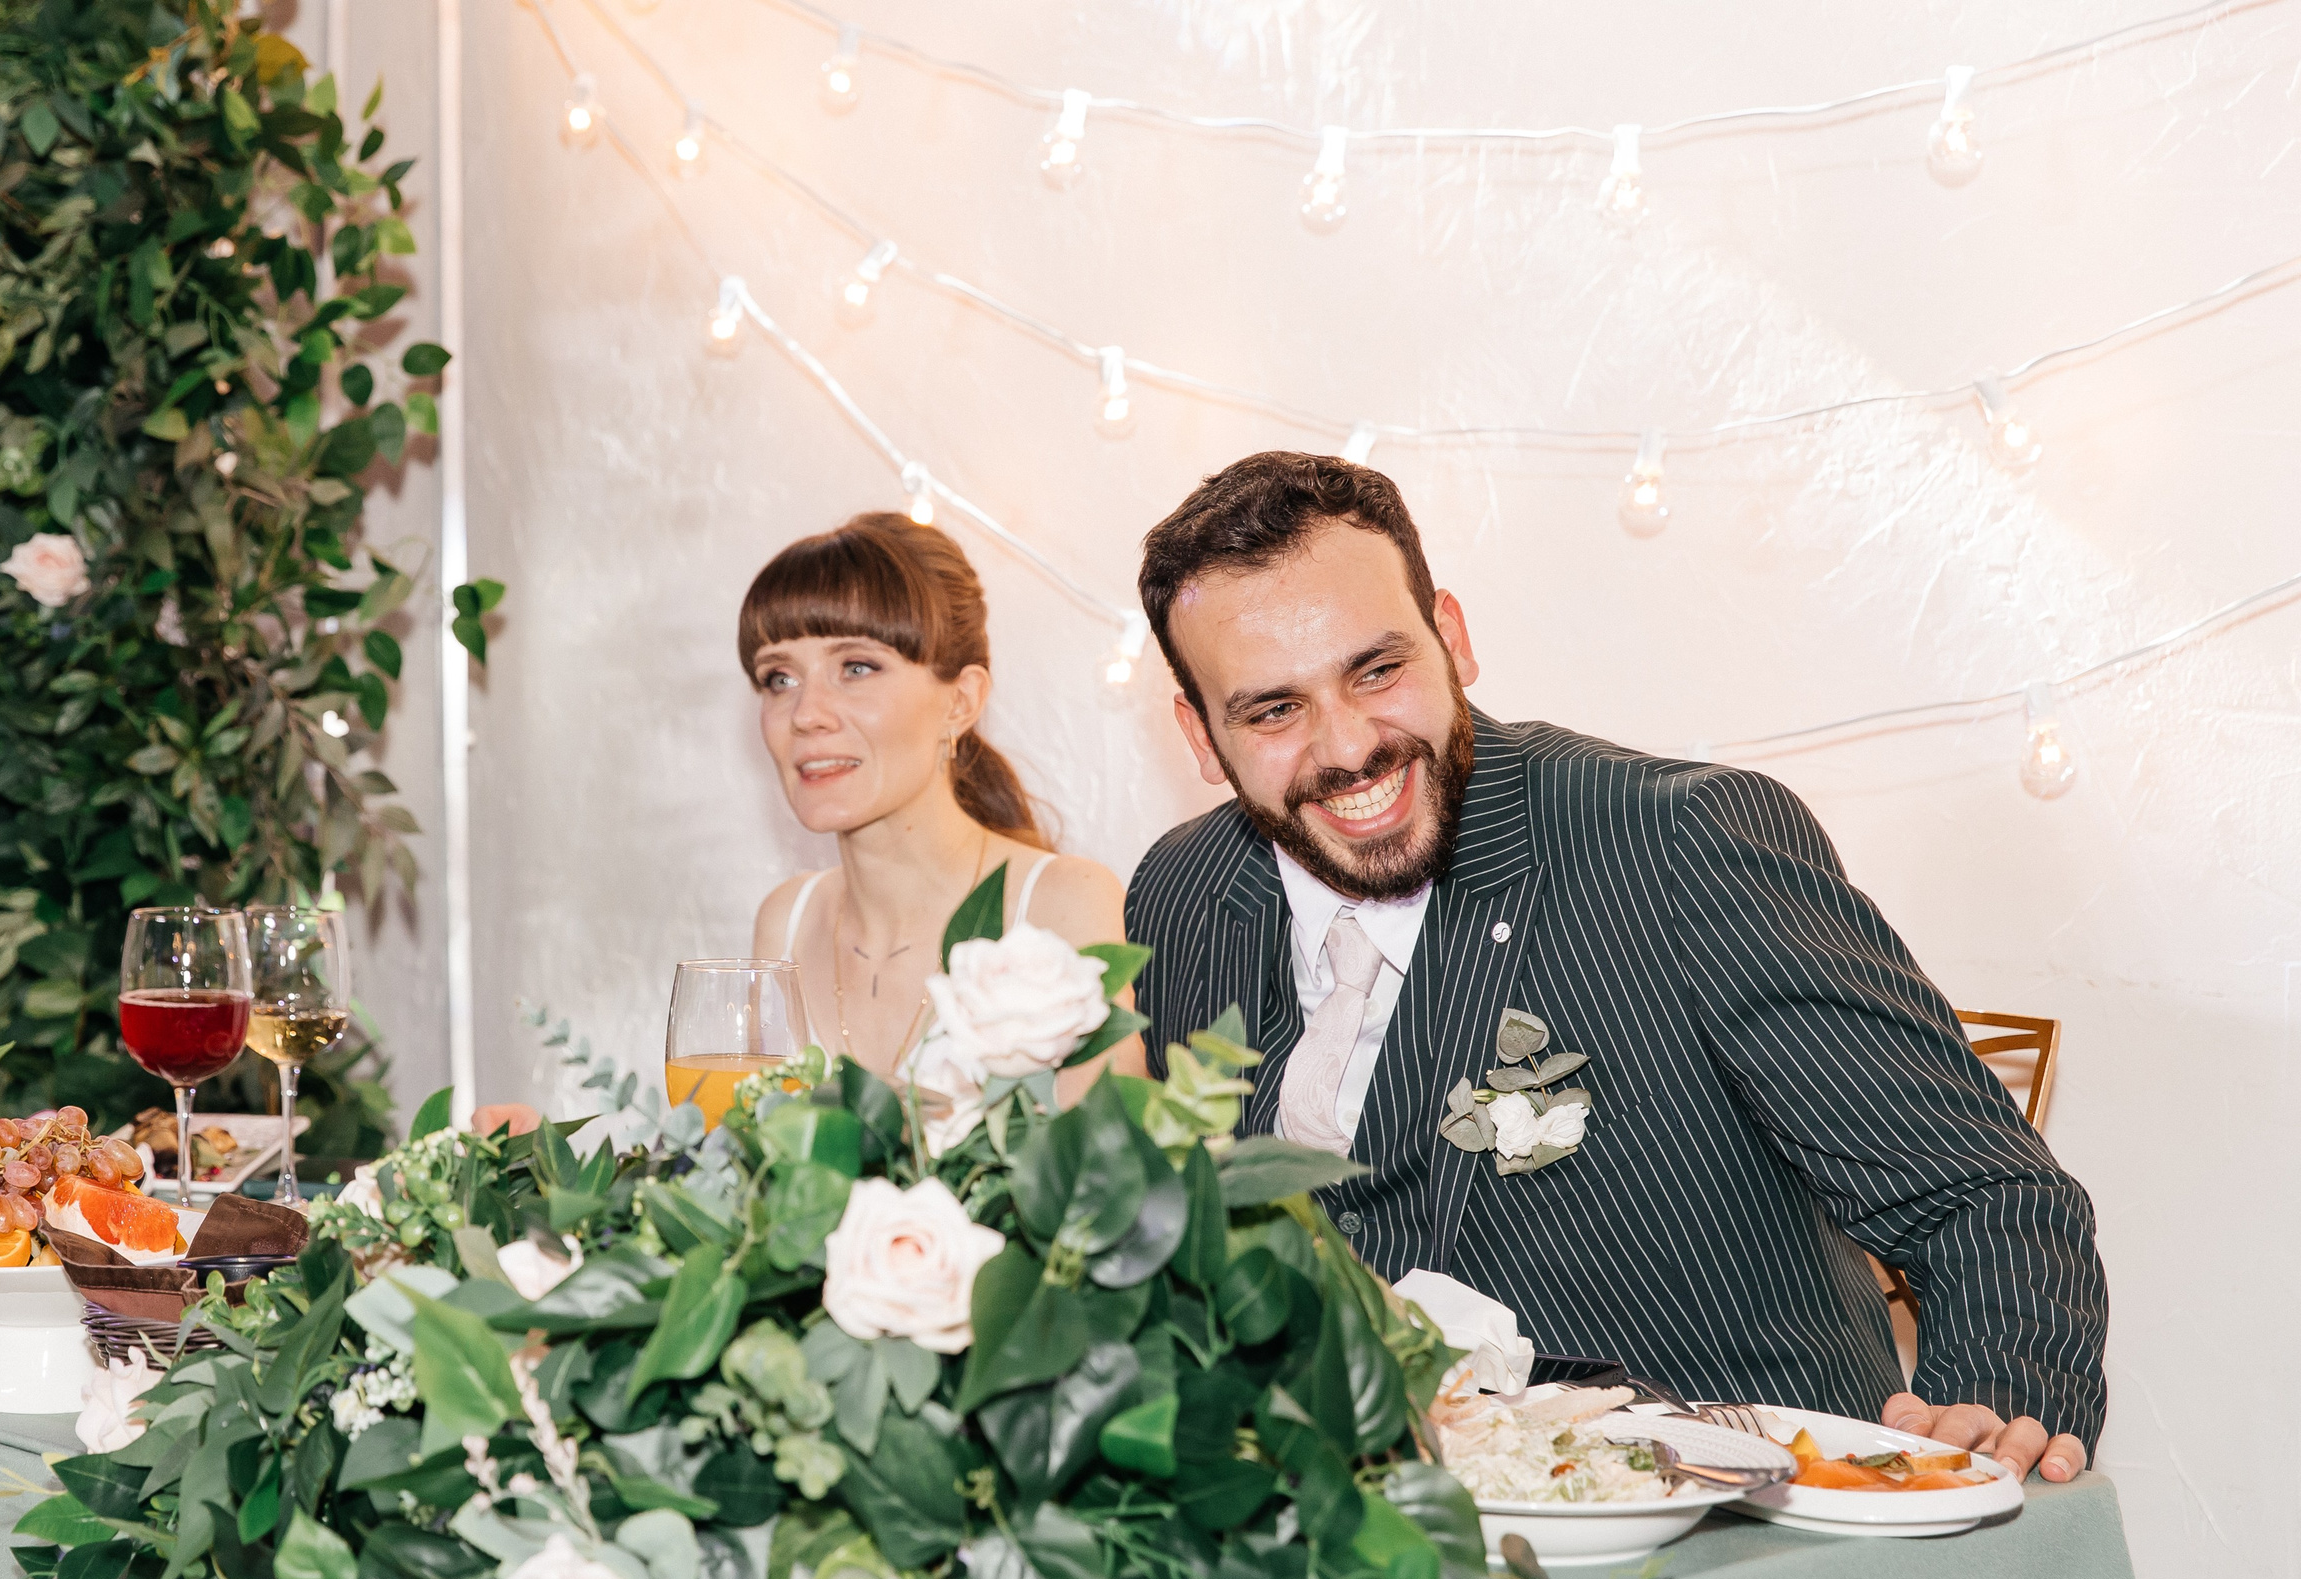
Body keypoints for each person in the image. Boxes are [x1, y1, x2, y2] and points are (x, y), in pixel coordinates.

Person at [1125, 451, 2107, 1479]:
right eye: (1272, 711)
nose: (1347, 747)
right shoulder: (1181, 896)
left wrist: (1978, 1449)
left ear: (1450, 636)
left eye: (1377, 671)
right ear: (1200, 733)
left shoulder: (1677, 842)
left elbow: (1984, 1200)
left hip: (1728, 1545)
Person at [743, 512, 1142, 1092]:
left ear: (961, 701)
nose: (805, 713)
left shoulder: (1062, 904)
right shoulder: (786, 921)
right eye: (778, 678)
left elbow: (1110, 1172)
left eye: (856, 668)